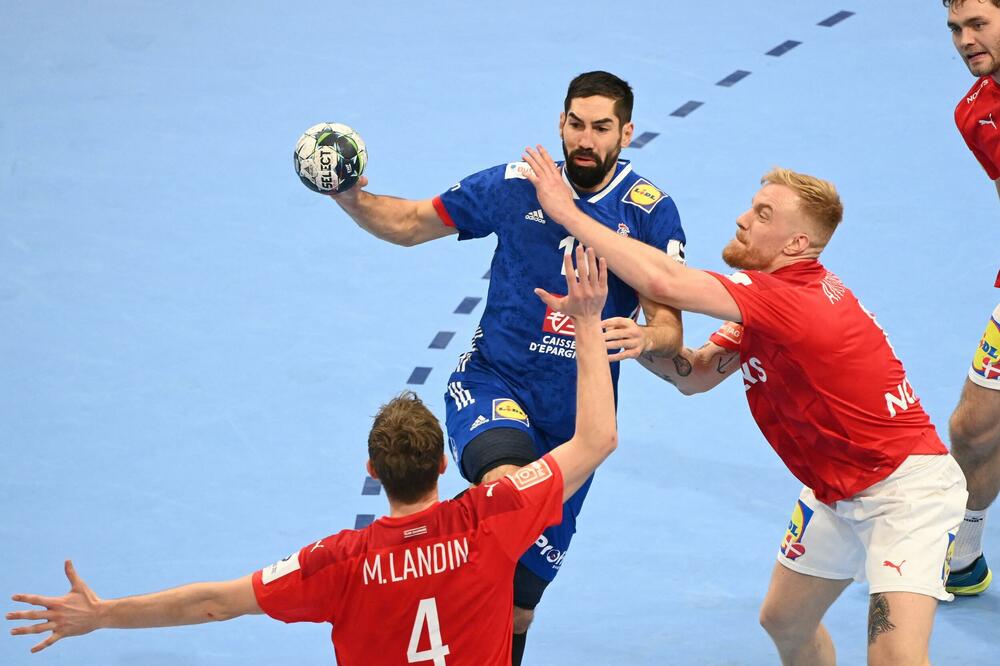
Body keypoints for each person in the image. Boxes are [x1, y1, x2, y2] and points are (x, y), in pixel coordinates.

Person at [7, 247, 617, 665]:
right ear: (440, 464)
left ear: (372, 471)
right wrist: (587, 322)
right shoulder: (494, 516)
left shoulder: (338, 564)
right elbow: (595, 440)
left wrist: (102, 615)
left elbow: (215, 603)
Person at [521, 146, 968, 666]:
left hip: (905, 489)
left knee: (894, 656)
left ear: (798, 243)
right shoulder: (775, 300)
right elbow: (697, 374)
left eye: (763, 215)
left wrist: (567, 213)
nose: (742, 218)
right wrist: (633, 340)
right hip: (835, 489)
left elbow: (665, 281)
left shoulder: (789, 302)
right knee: (784, 620)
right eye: (751, 206)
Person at [326, 70, 686, 660]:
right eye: (576, 125)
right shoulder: (514, 186)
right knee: (506, 497)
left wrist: (649, 338)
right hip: (495, 380)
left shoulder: (649, 211)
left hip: (577, 420)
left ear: (626, 133)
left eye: (601, 128)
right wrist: (349, 196)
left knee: (520, 603)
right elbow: (411, 223)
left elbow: (670, 325)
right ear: (560, 123)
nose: (585, 139)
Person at [942, 0, 1000, 596]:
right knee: (974, 428)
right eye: (956, 29)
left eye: (978, 24)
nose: (965, 40)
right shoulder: (974, 111)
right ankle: (964, 555)